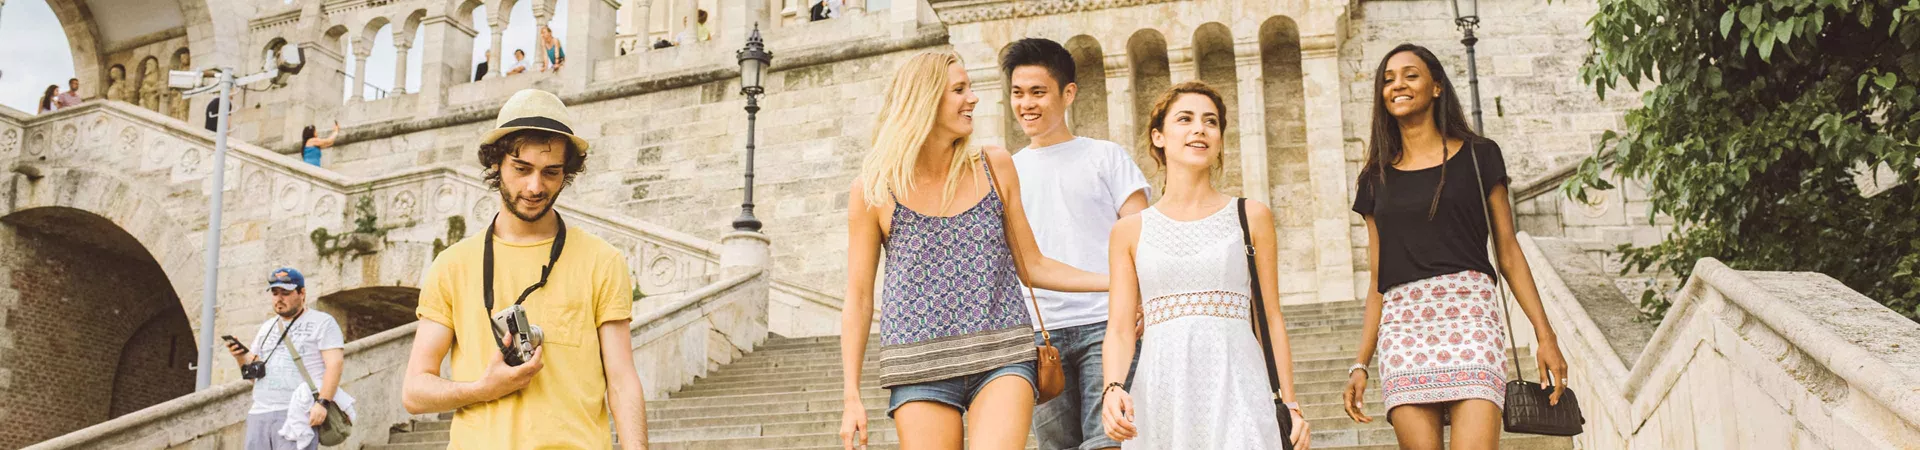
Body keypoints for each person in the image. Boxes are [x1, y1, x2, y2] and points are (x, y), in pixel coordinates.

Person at [839, 51, 1110, 450]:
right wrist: (851, 396)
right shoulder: (874, 189)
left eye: (971, 88)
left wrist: (1116, 281)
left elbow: (1031, 265)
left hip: (1003, 354)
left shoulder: (994, 165)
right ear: (925, 99)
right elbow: (859, 298)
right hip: (918, 364)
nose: (973, 98)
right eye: (959, 90)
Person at [1342, 43, 1571, 449]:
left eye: (1411, 75)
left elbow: (1509, 252)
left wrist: (1545, 334)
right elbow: (1378, 277)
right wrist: (1361, 362)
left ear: (1435, 87)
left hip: (1471, 319)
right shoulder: (1374, 178)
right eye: (1388, 79)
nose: (1398, 85)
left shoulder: (1481, 156)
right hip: (1404, 328)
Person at [401, 89, 651, 449]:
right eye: (521, 169)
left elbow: (622, 379)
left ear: (566, 173)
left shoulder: (602, 261)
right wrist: (483, 389)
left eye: (551, 172)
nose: (535, 187)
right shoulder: (452, 265)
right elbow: (414, 391)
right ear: (495, 164)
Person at [1097, 81, 1310, 448]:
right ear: (1159, 137)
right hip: (1162, 387)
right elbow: (1119, 327)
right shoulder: (1129, 231)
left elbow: (1270, 316)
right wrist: (1113, 387)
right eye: (1185, 119)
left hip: (1239, 383)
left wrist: (1289, 403)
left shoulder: (1251, 215)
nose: (1200, 129)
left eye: (1211, 122)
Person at [999, 38, 1151, 450]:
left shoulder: (1106, 157)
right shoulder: (1006, 170)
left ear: (1068, 93)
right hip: (1040, 334)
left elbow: (1145, 238)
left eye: (1037, 92)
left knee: (1108, 442)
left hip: (1108, 325)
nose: (1025, 104)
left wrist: (1141, 299)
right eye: (1017, 93)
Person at [224, 268, 351, 450]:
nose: (279, 298)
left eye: (286, 293)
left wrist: (322, 403)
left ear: (302, 293)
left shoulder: (322, 322)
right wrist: (239, 356)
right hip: (260, 413)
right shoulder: (267, 328)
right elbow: (253, 376)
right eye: (275, 293)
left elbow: (335, 365)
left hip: (297, 413)